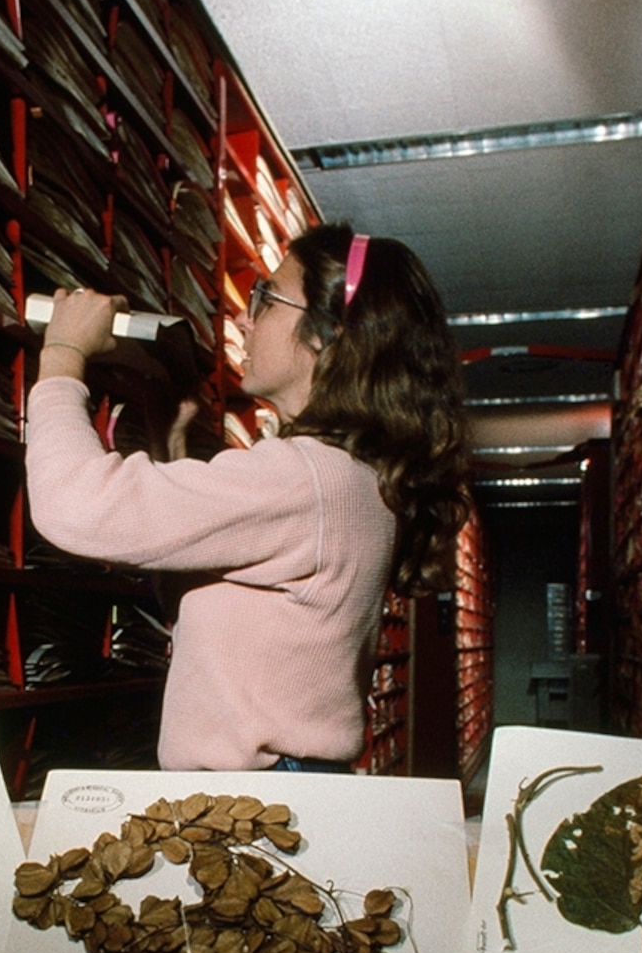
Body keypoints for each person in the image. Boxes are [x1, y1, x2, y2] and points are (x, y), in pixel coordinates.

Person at [26, 226, 468, 771]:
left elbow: (74, 507)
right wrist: (169, 441)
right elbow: (197, 604)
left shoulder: (301, 477)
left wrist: (63, 355)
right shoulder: (350, 477)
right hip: (290, 781)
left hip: (261, 790)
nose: (242, 318)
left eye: (266, 298)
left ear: (326, 334)